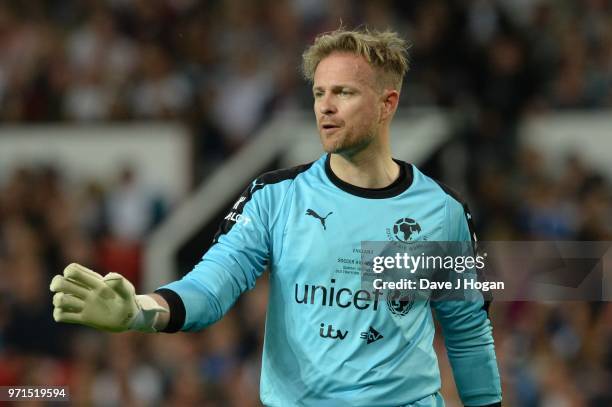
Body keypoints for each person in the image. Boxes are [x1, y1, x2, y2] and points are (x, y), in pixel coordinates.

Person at [50, 28, 502, 406]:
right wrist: (141, 311)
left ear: (388, 104)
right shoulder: (276, 196)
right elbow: (213, 284)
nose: (325, 106)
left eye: (343, 93)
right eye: (319, 93)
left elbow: (467, 334)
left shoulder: (441, 211)